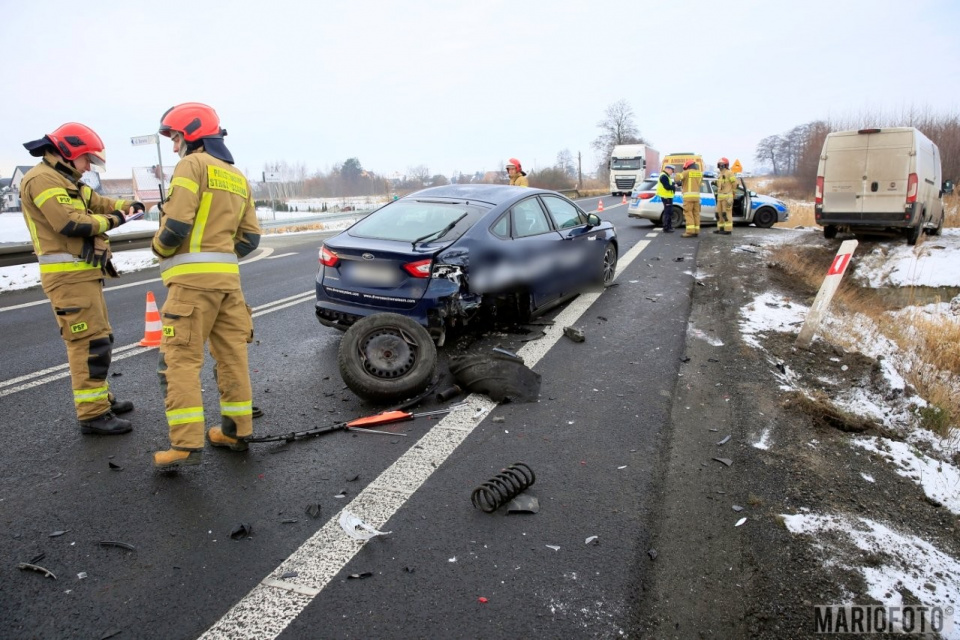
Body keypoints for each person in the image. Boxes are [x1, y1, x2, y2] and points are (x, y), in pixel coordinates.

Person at [151, 103, 261, 469]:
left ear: (192, 135)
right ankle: (236, 431)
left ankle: (183, 445)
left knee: (181, 360)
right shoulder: (236, 175)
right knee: (232, 356)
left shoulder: (191, 166)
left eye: (176, 137)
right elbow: (251, 239)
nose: (174, 146)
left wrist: (159, 249)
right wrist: (220, 255)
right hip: (229, 286)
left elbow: (177, 225)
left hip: (191, 288)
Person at [19, 123, 142, 435]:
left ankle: (100, 400)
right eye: (87, 159)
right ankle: (92, 414)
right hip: (67, 278)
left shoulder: (65, 179)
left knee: (99, 338)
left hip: (83, 274)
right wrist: (117, 219)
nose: (89, 166)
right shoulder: (43, 179)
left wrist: (127, 205)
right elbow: (71, 223)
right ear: (68, 152)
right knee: (87, 343)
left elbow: (98, 203)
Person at [674, 159, 703, 237]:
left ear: (687, 166)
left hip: (688, 197)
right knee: (696, 214)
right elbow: (699, 184)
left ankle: (690, 232)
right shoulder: (700, 174)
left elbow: (677, 179)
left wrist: (678, 174)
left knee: (688, 213)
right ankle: (696, 231)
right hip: (697, 197)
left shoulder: (686, 172)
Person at [714, 157, 736, 235]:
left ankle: (728, 230)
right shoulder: (720, 174)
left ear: (726, 165)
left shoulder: (729, 173)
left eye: (722, 164)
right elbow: (720, 185)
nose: (720, 166)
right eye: (719, 164)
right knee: (718, 213)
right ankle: (721, 228)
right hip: (720, 197)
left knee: (726, 213)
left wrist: (733, 194)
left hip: (727, 197)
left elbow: (734, 184)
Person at [656, 165, 677, 232]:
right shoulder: (664, 176)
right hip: (666, 197)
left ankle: (669, 227)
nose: (672, 172)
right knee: (667, 212)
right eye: (672, 170)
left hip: (668, 197)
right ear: (667, 169)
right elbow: (667, 186)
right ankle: (666, 228)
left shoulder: (666, 176)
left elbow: (668, 184)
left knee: (669, 212)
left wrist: (674, 184)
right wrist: (674, 186)